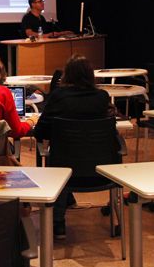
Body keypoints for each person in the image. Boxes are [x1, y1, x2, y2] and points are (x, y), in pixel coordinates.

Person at [34, 54, 115, 239]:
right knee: (71, 155)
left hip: (65, 176)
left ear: (67, 75)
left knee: (61, 157)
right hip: (101, 174)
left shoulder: (58, 97)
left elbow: (40, 132)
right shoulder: (102, 98)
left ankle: (58, 222)